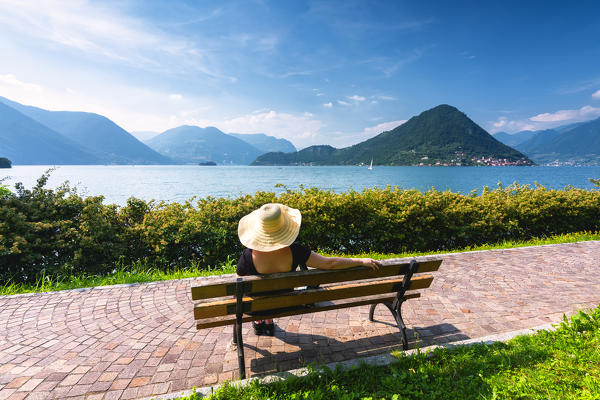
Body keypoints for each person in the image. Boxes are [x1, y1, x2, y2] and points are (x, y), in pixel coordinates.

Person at [237, 203, 381, 336]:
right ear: (283, 227)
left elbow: (240, 284)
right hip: (287, 304)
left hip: (255, 308)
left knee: (259, 293)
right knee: (277, 292)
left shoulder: (247, 256)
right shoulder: (296, 251)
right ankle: (268, 322)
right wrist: (361, 261)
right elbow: (330, 263)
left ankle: (260, 322)